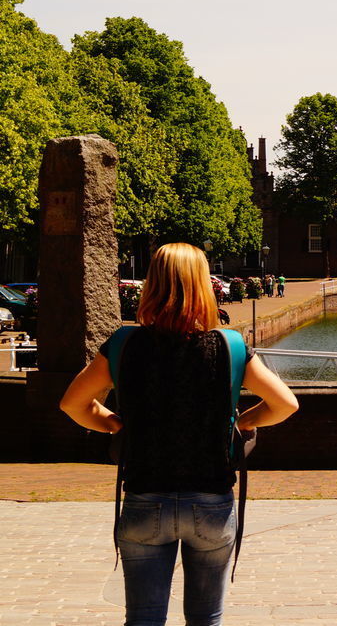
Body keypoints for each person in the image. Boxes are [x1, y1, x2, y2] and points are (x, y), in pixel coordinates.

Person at [60, 242, 299, 626]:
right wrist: (245, 422)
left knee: (143, 619)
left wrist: (113, 423)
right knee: (206, 620)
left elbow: (73, 404)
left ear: (151, 284)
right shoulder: (230, 346)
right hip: (212, 503)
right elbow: (285, 404)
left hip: (144, 498)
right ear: (204, 284)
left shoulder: (123, 344)